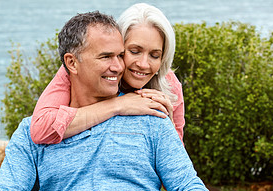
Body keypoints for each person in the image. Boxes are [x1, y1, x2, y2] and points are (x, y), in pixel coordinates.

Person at [0, 10, 226, 191]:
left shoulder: (151, 118)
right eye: (106, 57)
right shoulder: (35, 131)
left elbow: (187, 186)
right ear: (71, 63)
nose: (119, 67)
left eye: (120, 55)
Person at [30, 3, 185, 145]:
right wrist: (119, 105)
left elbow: (176, 159)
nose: (143, 64)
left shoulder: (169, 85)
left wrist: (166, 124)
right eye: (134, 51)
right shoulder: (73, 70)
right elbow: (40, 129)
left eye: (155, 55)